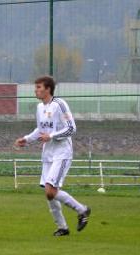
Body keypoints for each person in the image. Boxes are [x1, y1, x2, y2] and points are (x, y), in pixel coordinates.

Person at [14, 76, 91, 236]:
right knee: (49, 194)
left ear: (48, 89)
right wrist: (27, 139)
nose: (36, 90)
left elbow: (72, 129)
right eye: (35, 87)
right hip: (47, 154)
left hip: (62, 153)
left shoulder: (59, 104)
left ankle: (82, 210)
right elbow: (40, 129)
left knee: (50, 191)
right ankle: (62, 227)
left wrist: (52, 136)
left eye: (39, 87)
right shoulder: (39, 108)